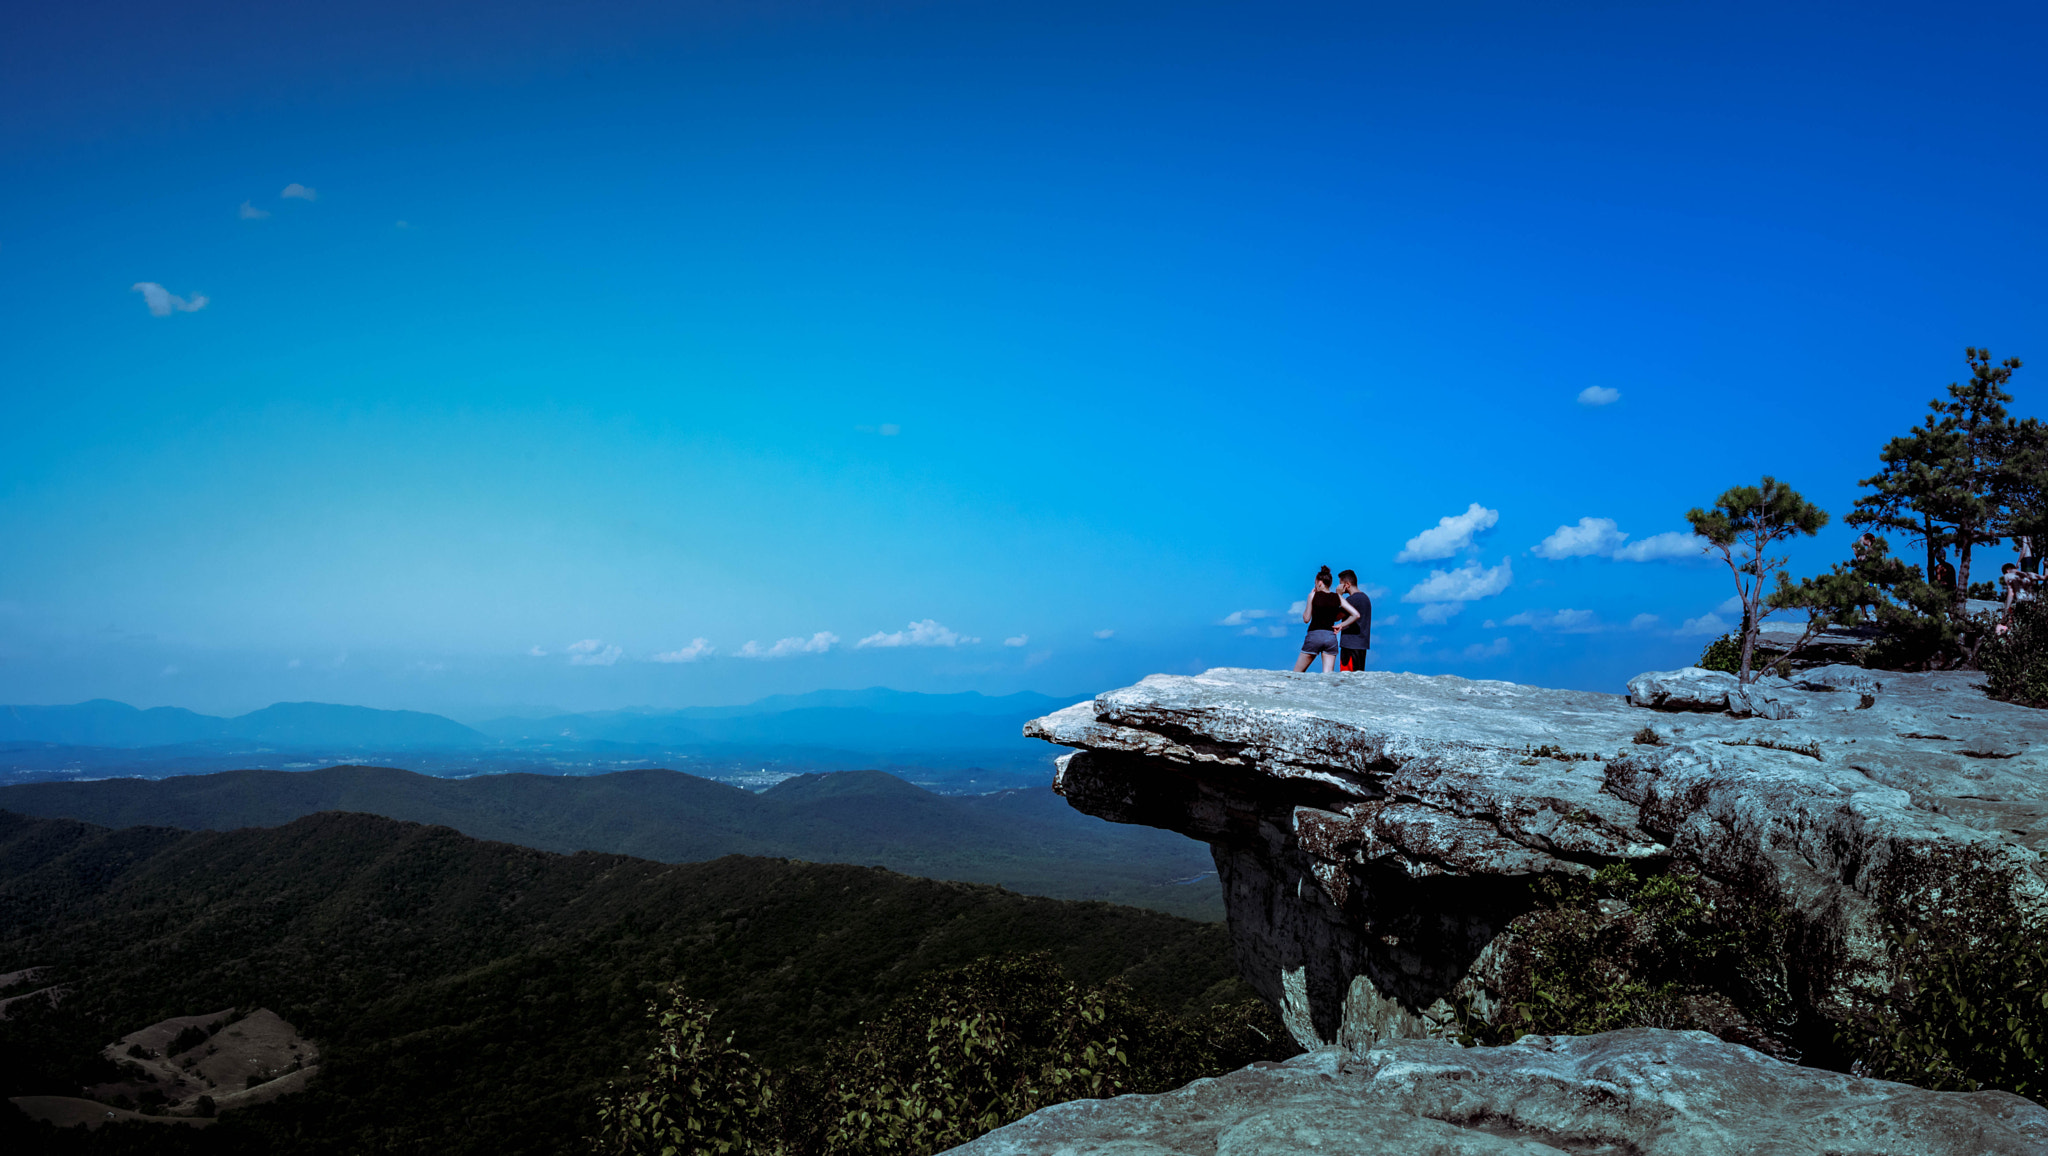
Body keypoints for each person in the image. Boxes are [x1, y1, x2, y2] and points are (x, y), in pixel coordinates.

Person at [1294, 566, 1360, 673]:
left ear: (1320, 583)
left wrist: (1311, 596)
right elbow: (1356, 614)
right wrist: (1341, 625)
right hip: (1330, 637)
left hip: (1314, 636)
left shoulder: (1313, 595)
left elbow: (1306, 619)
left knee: (1297, 672)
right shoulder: (1337, 597)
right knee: (1328, 676)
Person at [1336, 569, 1372, 672]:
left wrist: (1338, 596)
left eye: (1340, 584)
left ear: (1347, 584)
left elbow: (1337, 617)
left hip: (1350, 645)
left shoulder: (1351, 600)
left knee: (1347, 678)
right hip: (1362, 645)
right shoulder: (1365, 598)